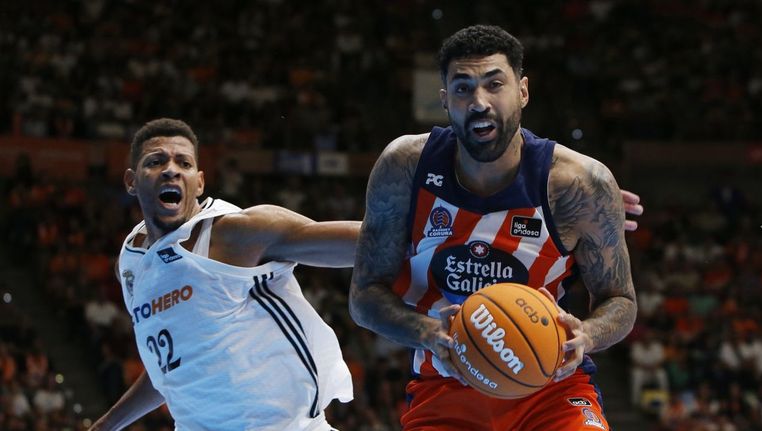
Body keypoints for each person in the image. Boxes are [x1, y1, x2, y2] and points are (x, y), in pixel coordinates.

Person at [349, 25, 637, 430]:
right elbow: (364, 297)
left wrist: (587, 334)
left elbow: (621, 301)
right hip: (445, 384)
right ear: (445, 100)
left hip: (551, 388)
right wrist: (428, 331)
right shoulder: (405, 166)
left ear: (522, 91)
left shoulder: (578, 184)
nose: (479, 102)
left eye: (494, 84)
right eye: (463, 88)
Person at [90, 118, 355, 430]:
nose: (171, 169)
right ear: (131, 181)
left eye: (184, 162)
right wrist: (106, 425)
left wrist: (423, 230)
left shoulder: (237, 233)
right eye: (156, 161)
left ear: (199, 182)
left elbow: (362, 245)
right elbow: (169, 371)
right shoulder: (132, 262)